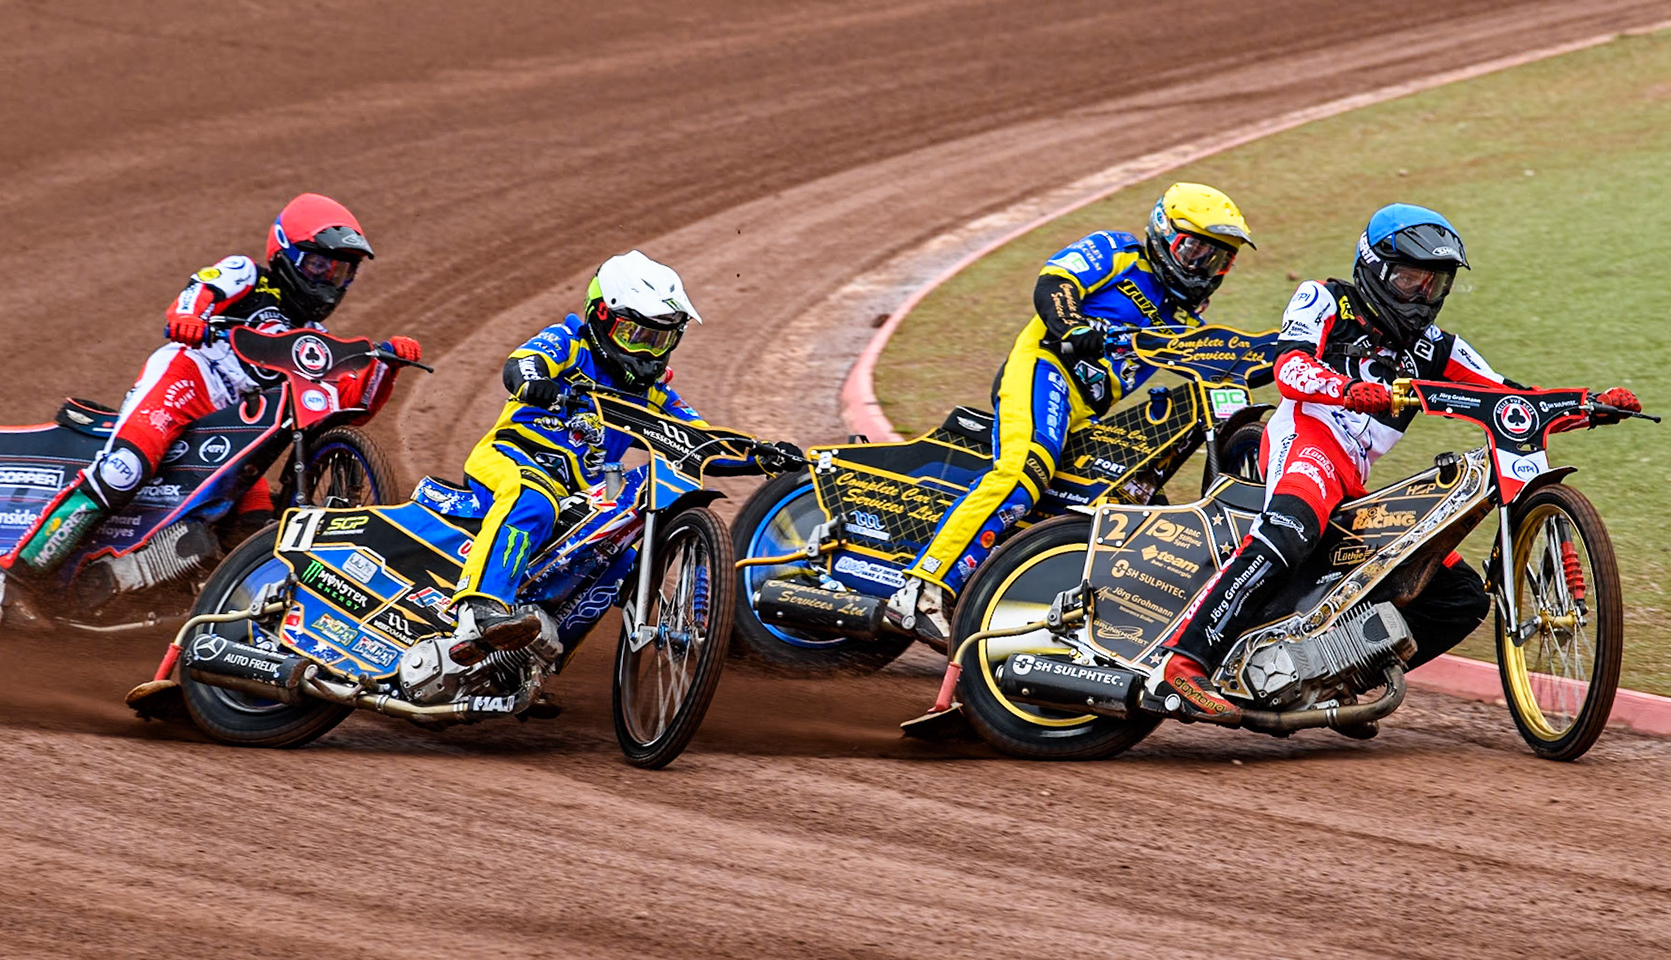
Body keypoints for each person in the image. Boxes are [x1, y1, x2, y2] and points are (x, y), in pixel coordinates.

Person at [1154, 203, 1643, 723]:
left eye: (1434, 285)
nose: (1420, 296)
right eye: (1410, 279)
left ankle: (1335, 682)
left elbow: (1510, 397)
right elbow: (1290, 368)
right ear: (1374, 267)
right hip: (1306, 441)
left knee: (1460, 599)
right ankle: (1185, 663)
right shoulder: (1325, 299)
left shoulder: (1436, 347)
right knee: (1293, 528)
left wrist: (1590, 406)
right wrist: (1347, 390)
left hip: (1354, 483)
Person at [0, 193, 422, 621]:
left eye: (340, 271)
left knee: (253, 530)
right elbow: (202, 289)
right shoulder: (246, 273)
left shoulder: (312, 335)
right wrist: (188, 316)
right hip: (185, 382)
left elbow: (342, 406)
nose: (328, 279)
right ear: (286, 253)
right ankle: (17, 581)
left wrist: (386, 367)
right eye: (318, 265)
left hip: (233, 427)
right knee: (125, 470)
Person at [884, 182, 1255, 647]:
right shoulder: (1116, 251)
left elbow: (1219, 358)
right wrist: (1073, 327)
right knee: (1025, 473)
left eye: (1217, 258)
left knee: (1113, 500)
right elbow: (1054, 284)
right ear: (1163, 232)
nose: (1203, 267)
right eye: (1194, 249)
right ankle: (922, 587)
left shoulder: (1185, 321)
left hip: (1086, 410)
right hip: (1044, 367)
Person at [449, 250, 801, 655]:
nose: (649, 353)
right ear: (600, 317)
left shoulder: (654, 395)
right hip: (510, 458)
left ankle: (527, 663)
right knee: (532, 501)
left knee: (614, 561)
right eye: (637, 336)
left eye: (661, 340)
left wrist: (761, 456)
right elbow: (522, 365)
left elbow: (701, 441)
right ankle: (480, 609)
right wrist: (537, 384)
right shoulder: (568, 342)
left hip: (579, 497)